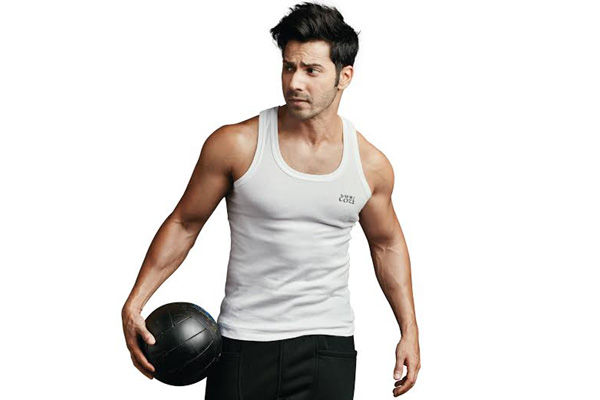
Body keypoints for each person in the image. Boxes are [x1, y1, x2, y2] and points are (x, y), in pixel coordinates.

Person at [121, 2, 420, 398]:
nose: (295, 82)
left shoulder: (370, 165)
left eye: (311, 70)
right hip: (243, 342)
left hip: (327, 345)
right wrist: (135, 301)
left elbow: (386, 243)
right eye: (288, 67)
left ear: (344, 76)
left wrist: (409, 329)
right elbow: (184, 223)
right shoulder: (236, 144)